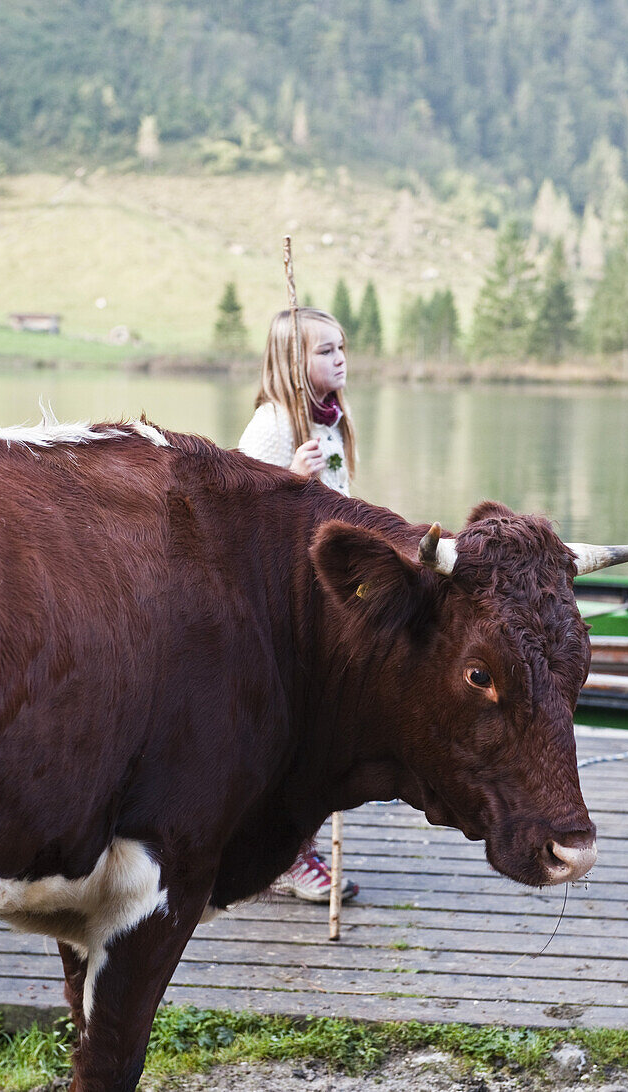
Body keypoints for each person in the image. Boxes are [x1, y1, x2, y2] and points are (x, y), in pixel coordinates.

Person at [238, 307, 359, 903]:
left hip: (327, 598)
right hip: (284, 604)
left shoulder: (332, 422)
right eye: (325, 351)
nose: (340, 359)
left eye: (341, 348)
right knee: (295, 725)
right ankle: (288, 855)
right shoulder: (273, 425)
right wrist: (290, 476)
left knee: (327, 721)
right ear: (293, 362)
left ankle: (297, 845)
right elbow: (241, 517)